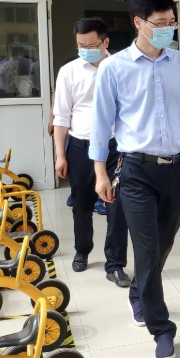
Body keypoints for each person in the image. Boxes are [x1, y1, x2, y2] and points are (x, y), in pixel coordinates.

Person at [90, 0, 180, 358]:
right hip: (136, 170)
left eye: (172, 22)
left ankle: (138, 293)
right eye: (160, 23)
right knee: (145, 247)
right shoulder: (114, 68)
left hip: (176, 167)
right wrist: (99, 173)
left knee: (163, 244)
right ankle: (162, 329)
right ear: (139, 23)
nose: (168, 29)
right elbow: (100, 125)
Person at [52, 18, 131, 286]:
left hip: (114, 147)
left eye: (91, 45)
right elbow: (61, 116)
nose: (85, 50)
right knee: (81, 204)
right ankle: (82, 250)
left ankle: (115, 264)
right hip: (81, 146)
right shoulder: (69, 72)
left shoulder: (121, 67)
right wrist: (60, 155)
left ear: (105, 42)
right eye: (80, 46)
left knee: (116, 206)